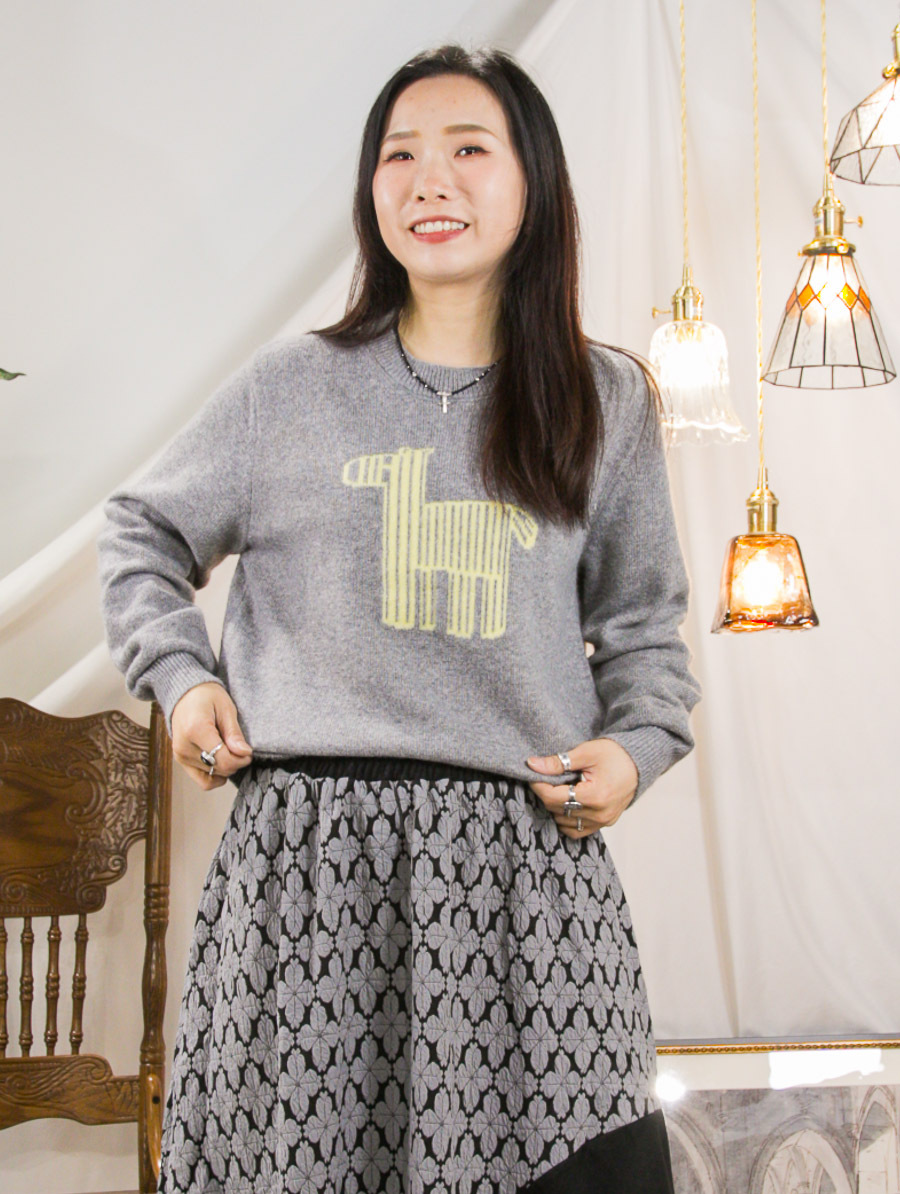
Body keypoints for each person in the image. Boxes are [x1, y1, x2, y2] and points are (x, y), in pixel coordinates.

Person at [98, 42, 700, 1194]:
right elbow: (141, 532)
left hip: (522, 877)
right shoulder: (290, 389)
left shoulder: (604, 399)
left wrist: (634, 749)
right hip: (307, 876)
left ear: (534, 182)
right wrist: (183, 677)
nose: (430, 180)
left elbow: (643, 631)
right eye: (400, 155)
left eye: (469, 150)